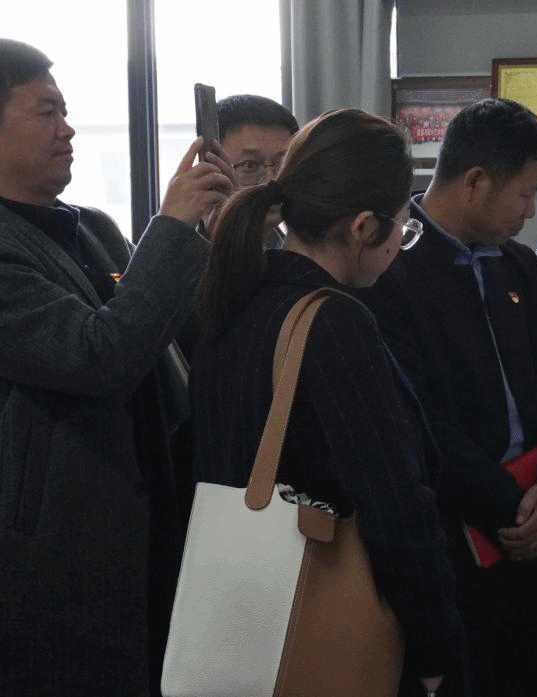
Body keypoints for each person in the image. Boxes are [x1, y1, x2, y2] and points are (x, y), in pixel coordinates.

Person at [190, 107, 464, 696]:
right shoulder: (334, 320)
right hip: (322, 621)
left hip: (240, 613)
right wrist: (435, 645)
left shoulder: (238, 289)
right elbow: (395, 503)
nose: (400, 244)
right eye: (403, 228)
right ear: (364, 227)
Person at [0, 38, 232, 695]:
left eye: (66, 111)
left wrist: (209, 232)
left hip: (149, 512)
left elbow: (164, 336)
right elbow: (99, 356)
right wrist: (172, 226)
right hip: (55, 555)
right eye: (46, 112)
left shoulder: (91, 228)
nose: (68, 129)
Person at [358, 97, 537, 697]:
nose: (531, 211)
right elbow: (418, 418)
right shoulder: (390, 268)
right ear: (476, 181)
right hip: (458, 542)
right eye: (525, 193)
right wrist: (513, 507)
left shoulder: (518, 266)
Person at [217, 93, 298, 248]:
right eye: (250, 165)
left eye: (282, 164)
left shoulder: (295, 253)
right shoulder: (183, 252)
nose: (271, 180)